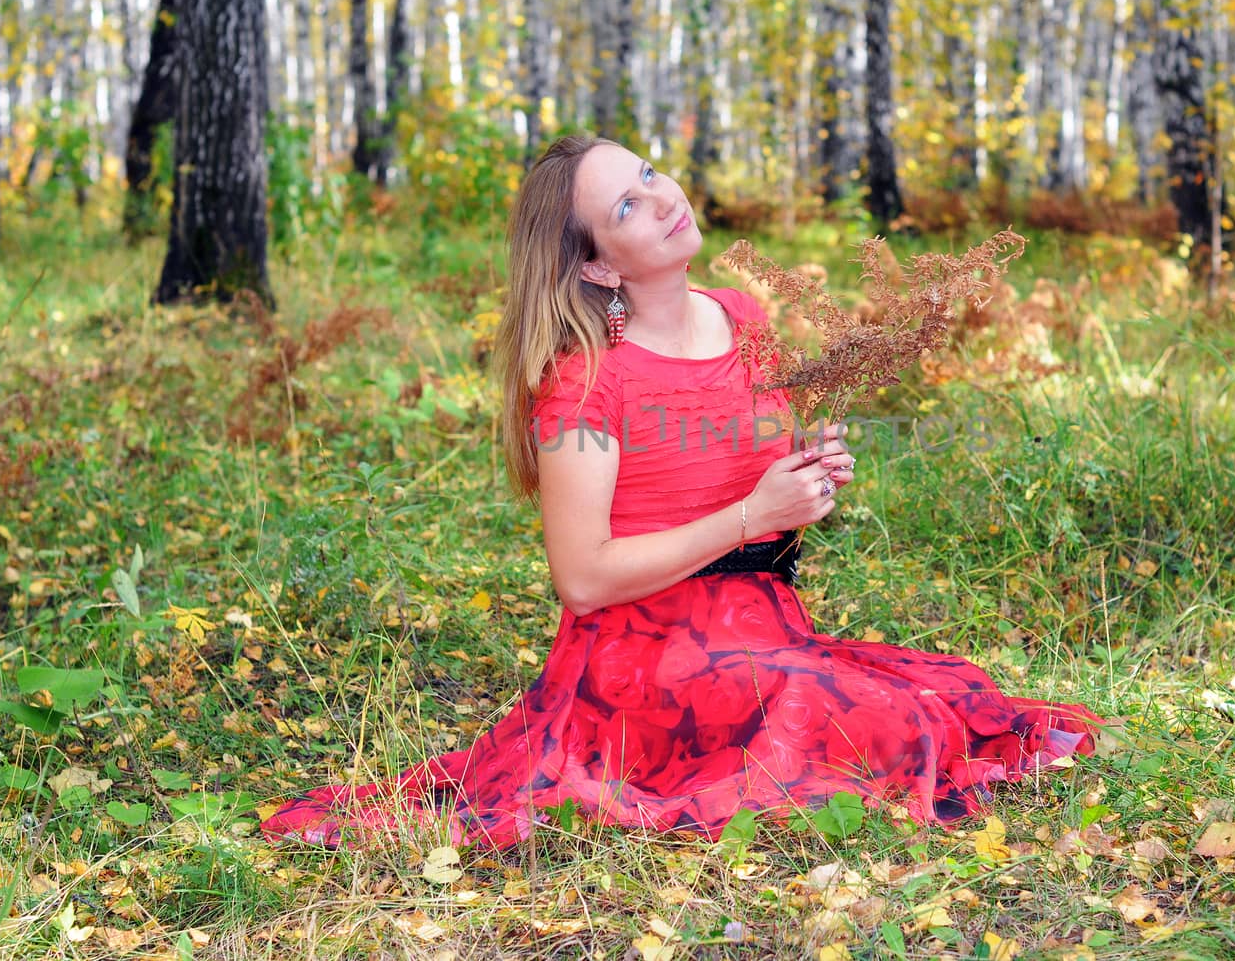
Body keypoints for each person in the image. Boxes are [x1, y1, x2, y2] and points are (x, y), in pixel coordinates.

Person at [259, 134, 1104, 850]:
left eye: (651, 177)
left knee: (944, 697)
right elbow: (583, 577)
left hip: (765, 628)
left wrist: (806, 474)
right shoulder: (584, 382)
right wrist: (749, 515)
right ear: (593, 263)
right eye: (625, 207)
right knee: (892, 729)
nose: (661, 201)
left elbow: (740, 477)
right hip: (642, 659)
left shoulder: (744, 317)